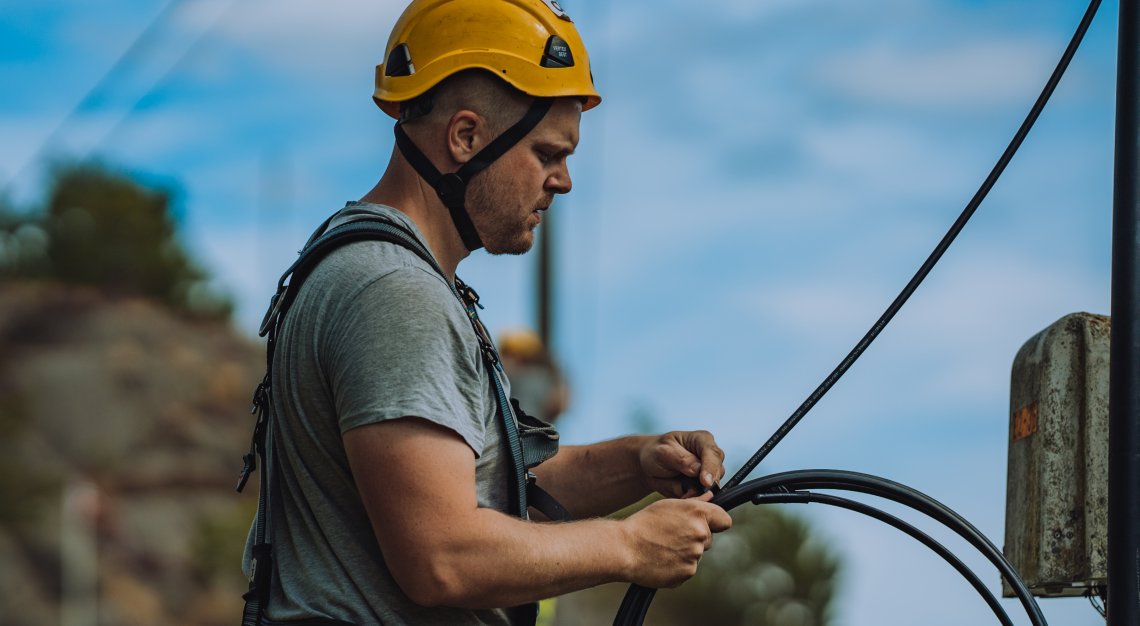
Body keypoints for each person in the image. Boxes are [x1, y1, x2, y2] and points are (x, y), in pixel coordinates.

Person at [242, 0, 732, 624]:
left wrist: (637, 461)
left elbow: (494, 489)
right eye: (549, 154)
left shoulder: (382, 273)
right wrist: (629, 545)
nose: (563, 181)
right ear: (466, 137)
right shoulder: (394, 292)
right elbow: (441, 555)